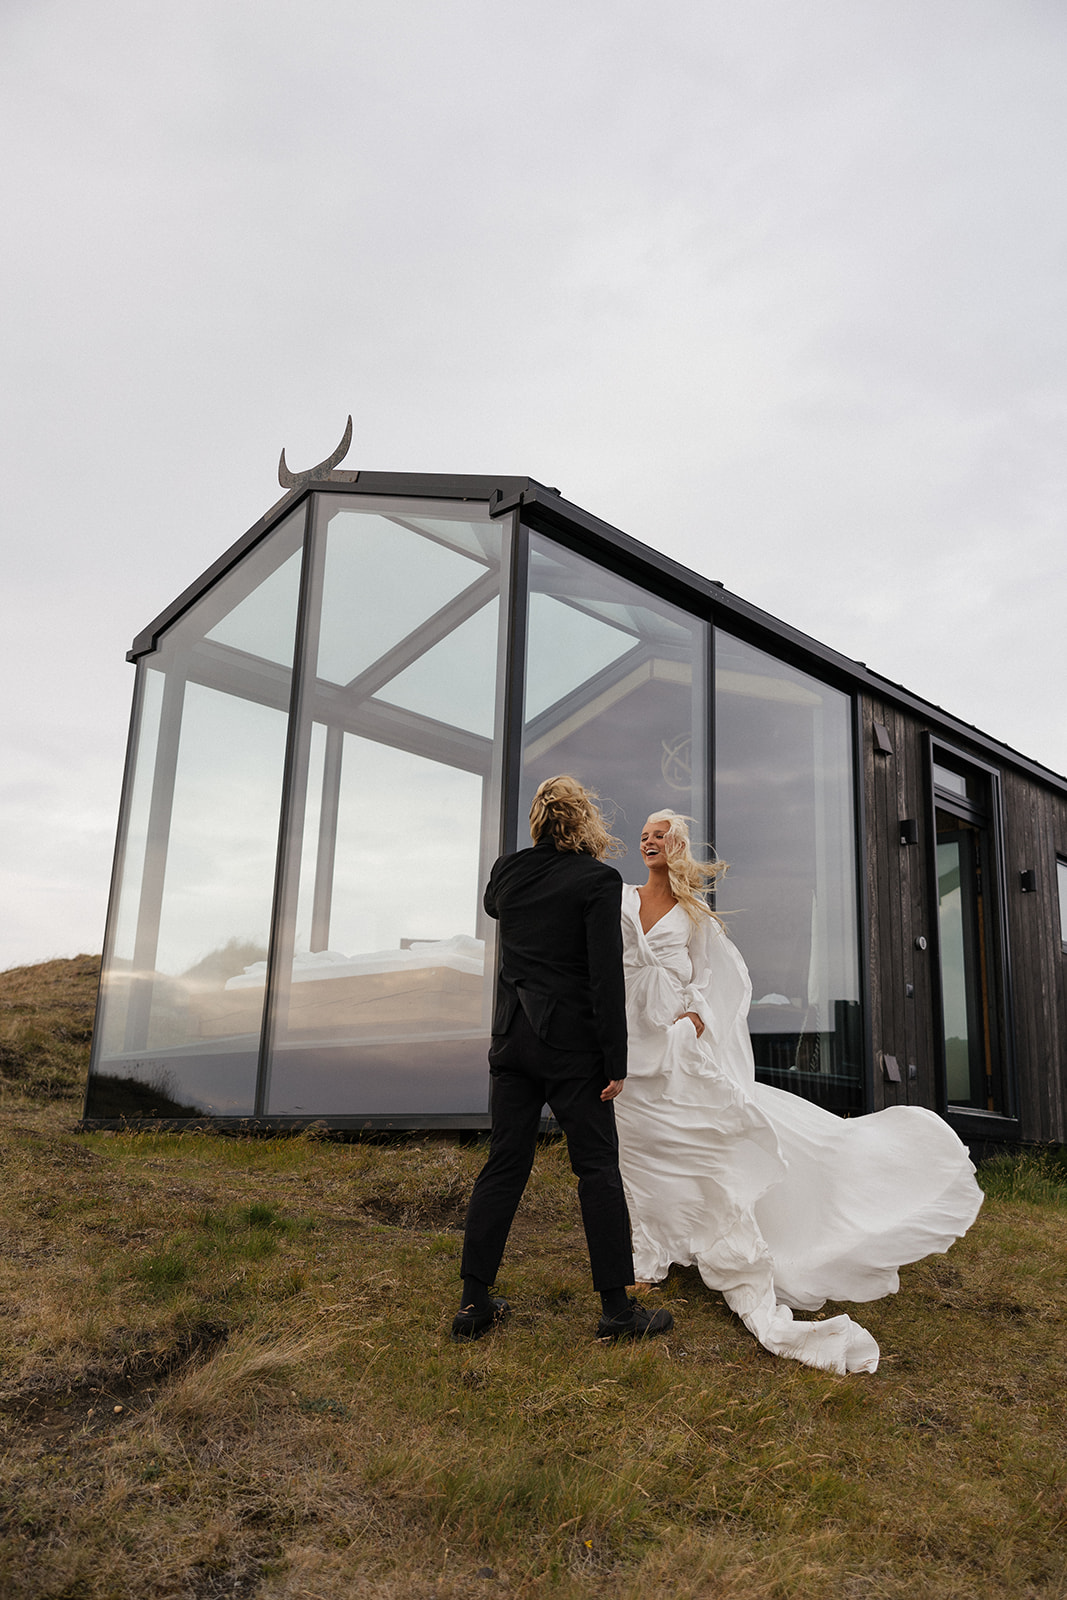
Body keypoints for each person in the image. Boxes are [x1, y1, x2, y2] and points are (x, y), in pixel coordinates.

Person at [612, 809, 984, 1375]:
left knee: (692, 1140)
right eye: (643, 835)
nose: (648, 840)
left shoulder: (694, 915)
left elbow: (713, 984)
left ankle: (696, 1237)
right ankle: (649, 1255)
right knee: (637, 1145)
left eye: (659, 834)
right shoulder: (620, 899)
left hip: (674, 1040)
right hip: (628, 1034)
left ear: (679, 845)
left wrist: (693, 1022)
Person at [453, 776, 673, 1344]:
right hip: (574, 1052)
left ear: (539, 821)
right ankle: (617, 1314)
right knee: (596, 1170)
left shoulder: (508, 872)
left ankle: (473, 1305)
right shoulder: (596, 880)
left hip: (512, 1045)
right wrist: (615, 1061)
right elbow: (605, 978)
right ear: (584, 820)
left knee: (505, 1165)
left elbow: (491, 904)